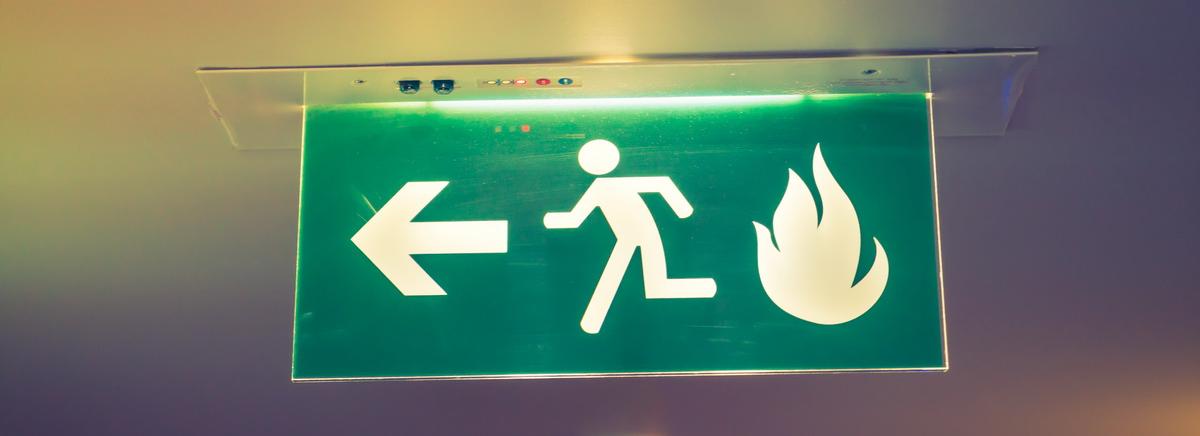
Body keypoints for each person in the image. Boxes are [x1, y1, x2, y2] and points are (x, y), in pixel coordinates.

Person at [544, 139, 717, 334]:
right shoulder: (598, 188)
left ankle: (592, 322)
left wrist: (682, 208)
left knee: (650, 282)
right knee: (651, 282)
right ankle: (703, 287)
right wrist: (553, 220)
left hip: (642, 233)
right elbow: (576, 218)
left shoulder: (601, 187)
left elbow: (662, 184)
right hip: (629, 237)